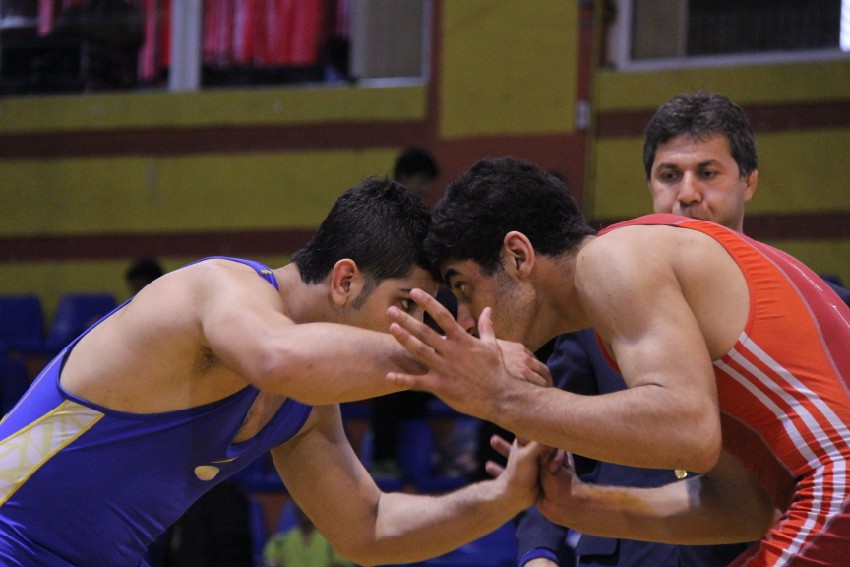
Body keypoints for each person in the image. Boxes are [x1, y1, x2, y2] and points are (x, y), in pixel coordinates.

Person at [0, 177, 548, 566]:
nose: (413, 328)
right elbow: (276, 357)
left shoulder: (305, 403)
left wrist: (504, 496)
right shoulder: (217, 288)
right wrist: (461, 361)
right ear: (345, 281)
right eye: (406, 305)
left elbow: (370, 529)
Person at [386, 156, 850, 566]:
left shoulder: (611, 258)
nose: (465, 320)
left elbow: (689, 432)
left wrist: (503, 397)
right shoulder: (637, 297)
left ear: (518, 255)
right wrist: (581, 505)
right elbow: (743, 508)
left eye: (463, 286)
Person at [517, 92, 791, 567]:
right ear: (649, 184)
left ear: (749, 182)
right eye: (669, 175)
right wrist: (538, 556)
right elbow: (550, 446)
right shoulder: (596, 309)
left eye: (708, 173)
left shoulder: (802, 303)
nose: (687, 193)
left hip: (754, 551)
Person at [262, 502, 354, 567]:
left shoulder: (337, 541)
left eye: (308, 505)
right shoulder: (278, 542)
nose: (303, 509)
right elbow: (271, 562)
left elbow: (341, 564)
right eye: (299, 504)